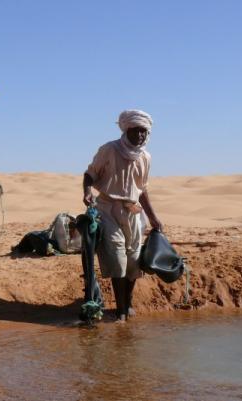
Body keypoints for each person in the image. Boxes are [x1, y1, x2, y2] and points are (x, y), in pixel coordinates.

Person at [82, 109, 163, 322]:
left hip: (134, 213)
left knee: (134, 261)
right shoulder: (109, 150)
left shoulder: (145, 157)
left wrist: (153, 217)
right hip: (108, 209)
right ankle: (121, 312)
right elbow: (89, 174)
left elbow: (142, 189)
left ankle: (128, 303)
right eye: (136, 131)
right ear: (127, 129)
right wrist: (87, 192)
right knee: (118, 259)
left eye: (144, 132)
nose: (140, 136)